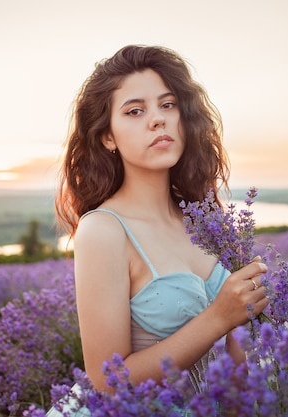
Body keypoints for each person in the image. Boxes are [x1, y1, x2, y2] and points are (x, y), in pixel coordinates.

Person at [52, 45, 269, 412]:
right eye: (135, 111)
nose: (158, 120)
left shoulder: (205, 223)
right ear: (107, 136)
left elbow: (234, 365)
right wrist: (219, 316)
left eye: (168, 105)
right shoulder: (104, 231)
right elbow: (108, 382)